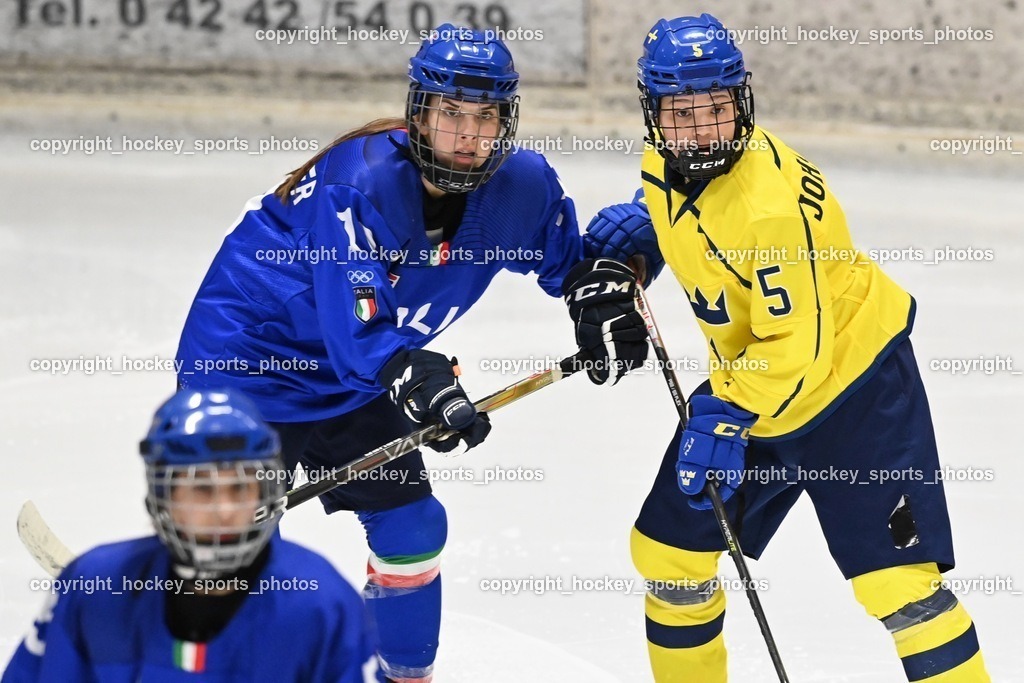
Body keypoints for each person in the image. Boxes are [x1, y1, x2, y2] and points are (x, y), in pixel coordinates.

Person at [174, 23, 649, 682]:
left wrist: (602, 296)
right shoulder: (360, 182)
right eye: (450, 113)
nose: (466, 135)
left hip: (353, 379)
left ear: (506, 122)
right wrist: (416, 377)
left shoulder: (522, 189)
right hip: (249, 360)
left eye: (484, 118)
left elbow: (571, 265)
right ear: (418, 113)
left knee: (414, 525)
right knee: (238, 551)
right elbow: (359, 330)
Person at [582, 13, 990, 682]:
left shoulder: (770, 206)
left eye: (716, 108)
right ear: (653, 113)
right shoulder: (663, 161)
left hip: (854, 396)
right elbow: (693, 215)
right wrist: (645, 233)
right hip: (757, 390)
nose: (701, 128)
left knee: (901, 591)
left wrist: (723, 414)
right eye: (680, 113)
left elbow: (793, 344)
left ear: (740, 101)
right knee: (668, 553)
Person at [3, 388, 377, 682]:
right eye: (201, 490)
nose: (225, 510)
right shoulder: (95, 589)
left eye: (240, 488)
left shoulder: (321, 606)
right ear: (162, 497)